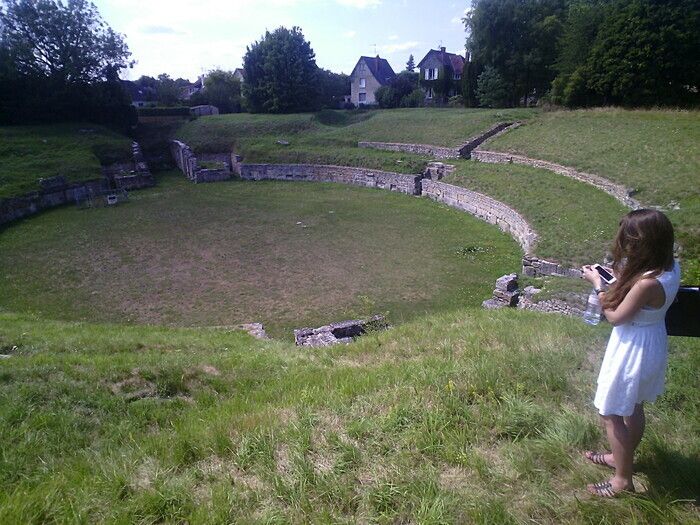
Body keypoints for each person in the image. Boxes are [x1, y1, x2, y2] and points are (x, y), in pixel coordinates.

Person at [581, 209, 680, 498]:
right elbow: (641, 289)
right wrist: (616, 275)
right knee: (634, 405)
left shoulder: (646, 284)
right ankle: (619, 457)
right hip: (651, 341)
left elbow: (615, 317)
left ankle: (622, 481)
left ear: (642, 244)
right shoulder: (671, 268)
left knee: (611, 412)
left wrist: (599, 284)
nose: (624, 247)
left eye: (629, 242)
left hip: (631, 347)